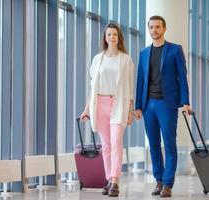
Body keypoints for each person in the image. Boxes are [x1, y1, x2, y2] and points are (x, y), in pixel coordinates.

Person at [135, 15, 192, 198]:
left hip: (167, 104)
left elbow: (182, 77)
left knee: (169, 144)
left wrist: (186, 102)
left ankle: (168, 183)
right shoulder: (144, 53)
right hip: (148, 104)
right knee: (153, 145)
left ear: (164, 29)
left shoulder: (175, 50)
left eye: (157, 27)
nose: (154, 30)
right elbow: (140, 81)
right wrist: (137, 106)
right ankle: (158, 180)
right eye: (151, 27)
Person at [80, 23, 135, 197]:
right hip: (100, 104)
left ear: (119, 38)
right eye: (109, 34)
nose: (112, 37)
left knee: (116, 142)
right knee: (106, 145)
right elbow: (93, 88)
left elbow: (129, 87)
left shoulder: (125, 59)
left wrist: (129, 111)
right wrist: (86, 109)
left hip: (118, 103)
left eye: (115, 35)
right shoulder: (98, 59)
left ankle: (115, 181)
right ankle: (109, 179)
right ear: (105, 37)